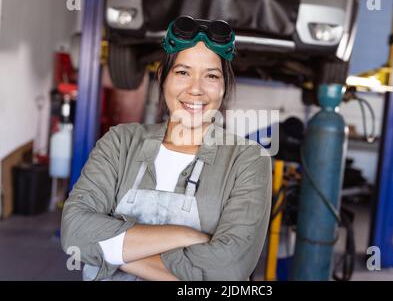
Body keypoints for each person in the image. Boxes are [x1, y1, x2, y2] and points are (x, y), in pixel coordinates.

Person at [61, 16, 272, 281]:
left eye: (211, 75)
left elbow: (226, 272)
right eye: (183, 72)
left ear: (224, 85)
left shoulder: (247, 161)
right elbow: (74, 233)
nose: (196, 89)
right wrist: (187, 237)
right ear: (162, 77)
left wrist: (111, 254)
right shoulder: (120, 142)